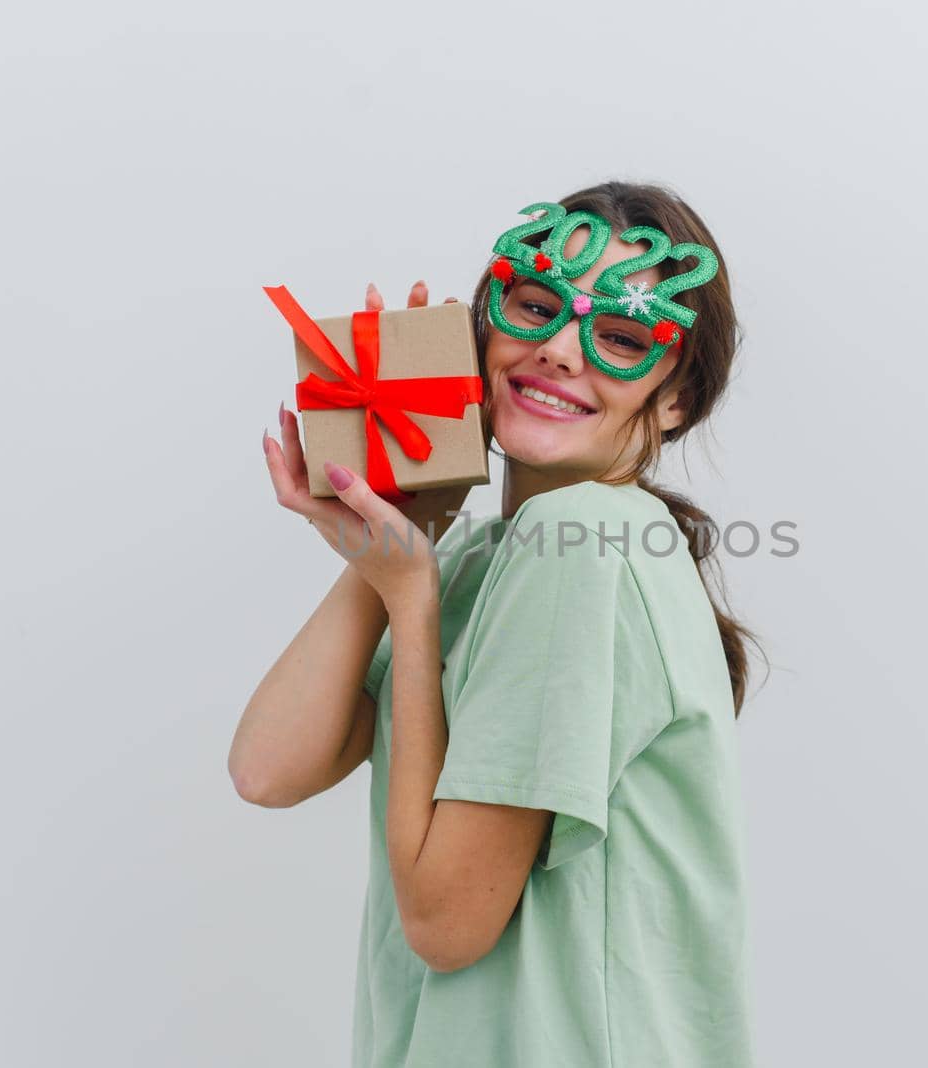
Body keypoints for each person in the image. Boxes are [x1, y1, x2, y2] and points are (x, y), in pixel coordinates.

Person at [231, 180, 761, 1067]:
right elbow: (267, 770)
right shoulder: (482, 557)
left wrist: (408, 593)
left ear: (677, 400)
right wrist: (410, 513)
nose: (559, 349)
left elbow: (445, 923)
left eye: (624, 338)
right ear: (481, 330)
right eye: (534, 305)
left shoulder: (581, 542)